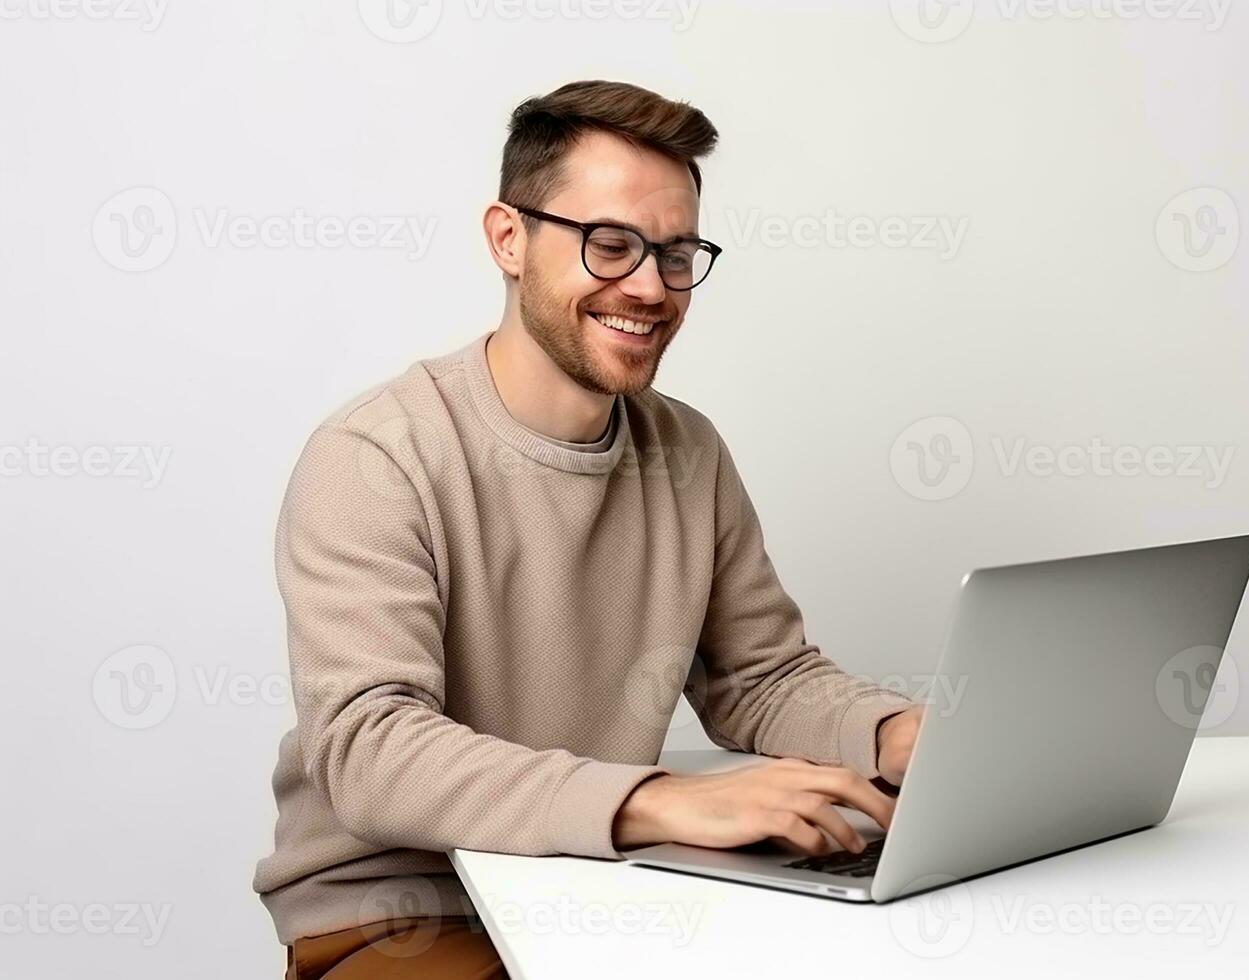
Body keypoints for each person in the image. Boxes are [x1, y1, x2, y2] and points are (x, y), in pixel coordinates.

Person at [253, 79, 924, 979]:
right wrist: (659, 801)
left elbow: (760, 679)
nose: (649, 288)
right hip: (405, 912)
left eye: (677, 254)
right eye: (610, 245)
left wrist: (894, 734)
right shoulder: (375, 456)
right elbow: (372, 752)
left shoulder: (687, 450)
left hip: (607, 887)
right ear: (508, 239)